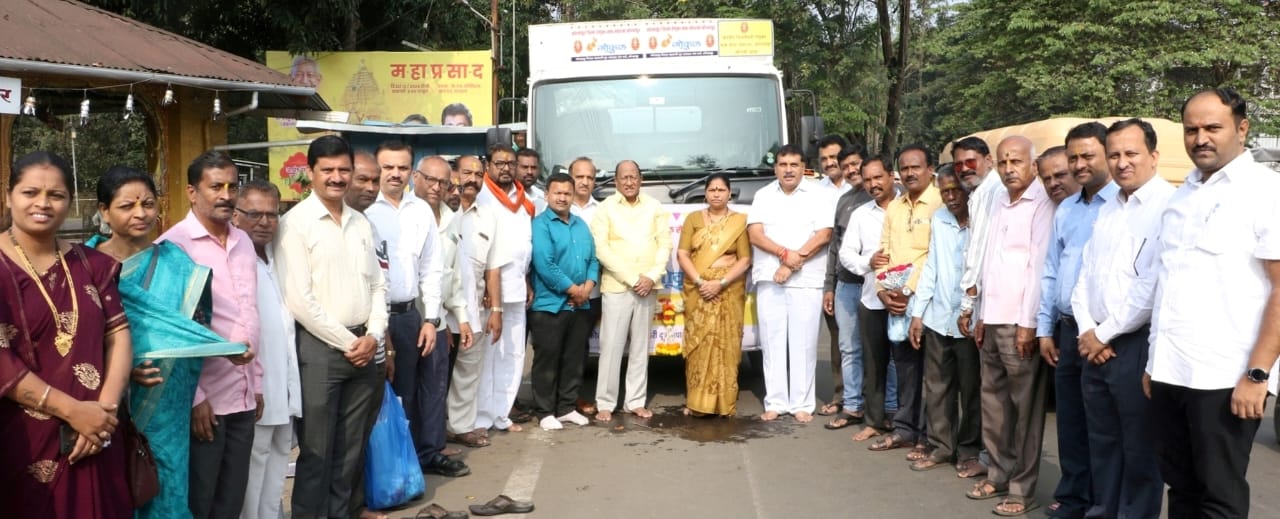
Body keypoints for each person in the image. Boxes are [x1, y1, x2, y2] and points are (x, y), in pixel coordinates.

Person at [1146, 88, 1280, 517]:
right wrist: (1153, 362)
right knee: (1180, 487)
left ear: (1242, 129)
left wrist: (1257, 374)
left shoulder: (1265, 191)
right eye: (1191, 129)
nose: (1200, 138)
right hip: (1171, 371)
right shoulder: (1181, 195)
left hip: (1224, 377)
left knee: (1219, 496)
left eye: (1212, 128)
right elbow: (1166, 284)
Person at [87, 166, 246, 519]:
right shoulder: (84, 267)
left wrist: (223, 349)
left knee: (166, 488)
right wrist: (124, 369)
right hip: (100, 403)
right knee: (105, 490)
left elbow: (192, 330)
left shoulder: (179, 265)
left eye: (147, 203)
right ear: (104, 210)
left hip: (166, 402)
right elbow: (71, 338)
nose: (140, 213)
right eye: (127, 206)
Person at [0, 151, 132, 517]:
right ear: (9, 196)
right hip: (21, 440)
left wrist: (102, 416)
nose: (43, 203)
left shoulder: (93, 264)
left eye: (55, 195)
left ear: (70, 202)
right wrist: (73, 411)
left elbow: (118, 336)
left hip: (95, 437)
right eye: (30, 193)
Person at [277, 135, 389, 519]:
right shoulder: (294, 225)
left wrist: (373, 334)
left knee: (351, 449)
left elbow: (377, 283)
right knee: (317, 450)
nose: (337, 178)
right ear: (311, 173)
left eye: (344, 170)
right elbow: (300, 301)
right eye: (328, 170)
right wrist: (350, 343)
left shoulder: (360, 222)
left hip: (365, 345)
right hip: (321, 351)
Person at [1070, 118, 1172, 519]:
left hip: (1133, 345)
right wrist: (1086, 330)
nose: (1122, 162)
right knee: (1103, 443)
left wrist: (1105, 334)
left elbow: (1151, 285)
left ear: (1153, 156)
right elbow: (1086, 273)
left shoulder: (1168, 206)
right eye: (1114, 154)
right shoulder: (1110, 207)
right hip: (1093, 344)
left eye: (1131, 153)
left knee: (1139, 449)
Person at [158, 151, 262, 519]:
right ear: (192, 191)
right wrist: (194, 397)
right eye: (215, 186)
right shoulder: (175, 247)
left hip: (244, 392)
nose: (226, 195)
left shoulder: (243, 241)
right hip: (205, 400)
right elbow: (168, 330)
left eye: (232, 186)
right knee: (201, 500)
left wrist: (258, 380)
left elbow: (250, 314)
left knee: (232, 499)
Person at [963, 136, 1054, 517]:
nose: (1008, 169)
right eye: (1002, 162)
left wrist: (1028, 324)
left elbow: (1038, 267)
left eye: (1016, 161)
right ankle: (998, 473)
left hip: (1020, 322)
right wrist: (981, 312)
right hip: (993, 317)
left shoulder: (1042, 204)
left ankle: (1022, 487)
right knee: (995, 405)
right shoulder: (999, 200)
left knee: (1024, 410)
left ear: (1032, 165)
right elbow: (988, 261)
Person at [1035, 122, 1118, 519]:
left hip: (1106, 335)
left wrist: (1099, 332)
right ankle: (1073, 499)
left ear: (1107, 153)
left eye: (1088, 155)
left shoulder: (1121, 205)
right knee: (1070, 425)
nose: (1080, 164)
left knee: (1103, 430)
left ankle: (1102, 505)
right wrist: (1043, 328)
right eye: (1074, 157)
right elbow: (1051, 269)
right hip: (1067, 331)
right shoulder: (1067, 208)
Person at [364, 143, 461, 478]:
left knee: (425, 387)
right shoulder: (365, 211)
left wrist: (433, 319)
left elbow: (432, 268)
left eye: (402, 168)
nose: (395, 174)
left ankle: (425, 454)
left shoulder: (420, 211)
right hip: (375, 319)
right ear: (378, 169)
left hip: (412, 315)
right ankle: (391, 466)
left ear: (410, 172)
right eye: (388, 167)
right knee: (390, 391)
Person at [747, 144, 834, 423]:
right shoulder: (763, 195)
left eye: (794, 164)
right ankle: (775, 402)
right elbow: (755, 234)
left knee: (804, 343)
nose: (788, 170)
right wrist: (785, 256)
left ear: (803, 167)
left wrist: (792, 263)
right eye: (783, 165)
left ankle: (802, 403)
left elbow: (823, 234)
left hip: (806, 279)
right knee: (772, 343)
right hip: (770, 278)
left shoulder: (819, 194)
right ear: (776, 168)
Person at [234, 180, 303, 519]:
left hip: (285, 382)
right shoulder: (234, 260)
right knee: (254, 464)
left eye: (272, 214)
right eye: (254, 214)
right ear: (235, 215)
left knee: (278, 462)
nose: (264, 222)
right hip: (253, 387)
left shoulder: (278, 256)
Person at [906, 164, 981, 474]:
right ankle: (941, 447)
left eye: (956, 190)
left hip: (969, 319)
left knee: (972, 389)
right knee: (937, 388)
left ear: (967, 190)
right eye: (945, 190)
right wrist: (918, 314)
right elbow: (932, 267)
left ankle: (969, 449)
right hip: (939, 317)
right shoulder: (939, 219)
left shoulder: (981, 220)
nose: (951, 196)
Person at [867, 145, 941, 458]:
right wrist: (884, 291)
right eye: (905, 168)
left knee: (932, 372)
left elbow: (936, 257)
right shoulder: (895, 208)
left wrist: (908, 289)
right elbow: (883, 253)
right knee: (906, 368)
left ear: (930, 168)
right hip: (894, 301)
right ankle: (905, 429)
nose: (910, 173)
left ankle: (929, 435)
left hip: (928, 301)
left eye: (916, 167)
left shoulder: (941, 203)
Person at [406, 155, 474, 475]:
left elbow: (453, 274)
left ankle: (431, 452)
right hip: (407, 317)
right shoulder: (400, 214)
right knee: (405, 390)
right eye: (430, 180)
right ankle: (403, 455)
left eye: (443, 182)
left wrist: (460, 316)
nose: (436, 187)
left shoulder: (450, 218)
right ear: (415, 178)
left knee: (434, 389)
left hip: (438, 319)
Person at [590, 160, 671, 421]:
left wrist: (651, 276)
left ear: (641, 179)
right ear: (615, 181)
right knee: (611, 346)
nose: (629, 182)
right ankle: (605, 401)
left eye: (633, 177)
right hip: (617, 286)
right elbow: (602, 249)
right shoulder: (605, 209)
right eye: (623, 177)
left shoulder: (654, 207)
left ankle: (635, 401)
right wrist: (631, 277)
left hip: (648, 286)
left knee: (639, 347)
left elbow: (664, 245)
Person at [446, 156, 508, 448]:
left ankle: (460, 427)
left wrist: (496, 309)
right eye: (466, 172)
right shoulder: (440, 210)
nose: (472, 179)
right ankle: (432, 431)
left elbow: (492, 268)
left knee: (468, 371)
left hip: (475, 308)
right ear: (454, 174)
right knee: (437, 375)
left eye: (478, 174)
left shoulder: (489, 216)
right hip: (440, 311)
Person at [677, 173, 752, 416]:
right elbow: (682, 254)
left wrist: (720, 283)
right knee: (700, 345)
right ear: (706, 193)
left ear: (729, 193)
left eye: (721, 189)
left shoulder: (739, 222)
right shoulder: (693, 219)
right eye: (712, 190)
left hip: (727, 290)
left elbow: (745, 259)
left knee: (725, 345)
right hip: (698, 290)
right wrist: (701, 282)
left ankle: (723, 403)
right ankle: (697, 403)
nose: (716, 194)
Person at [529, 173, 599, 430]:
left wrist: (588, 286)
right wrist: (573, 289)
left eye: (567, 193)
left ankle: (566, 407)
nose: (562, 197)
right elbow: (544, 265)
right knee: (547, 359)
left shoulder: (580, 224)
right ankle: (545, 410)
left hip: (581, 304)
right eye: (557, 192)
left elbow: (593, 259)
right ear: (546, 195)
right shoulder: (541, 225)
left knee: (574, 358)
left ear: (573, 196)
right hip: (550, 305)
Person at [474, 145, 534, 433]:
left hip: (517, 287)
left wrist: (526, 279)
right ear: (489, 165)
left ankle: (501, 414)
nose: (506, 168)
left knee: (512, 355)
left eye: (511, 163)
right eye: (500, 163)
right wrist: (488, 287)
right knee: (488, 358)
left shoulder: (522, 198)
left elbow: (524, 245)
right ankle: (482, 417)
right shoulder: (482, 196)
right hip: (491, 291)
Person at [824, 144, 882, 429]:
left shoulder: (885, 200)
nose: (850, 171)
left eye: (855, 164)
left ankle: (883, 408)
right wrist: (829, 286)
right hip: (847, 286)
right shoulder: (845, 201)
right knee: (850, 348)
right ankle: (852, 406)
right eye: (844, 166)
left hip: (877, 286)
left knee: (881, 351)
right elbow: (835, 249)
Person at [840, 158, 898, 441]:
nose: (873, 184)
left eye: (878, 177)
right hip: (872, 298)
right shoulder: (861, 214)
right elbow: (846, 254)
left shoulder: (908, 208)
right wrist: (868, 262)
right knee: (875, 362)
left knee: (904, 363)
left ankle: (902, 419)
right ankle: (874, 420)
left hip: (907, 300)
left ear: (891, 175)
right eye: (867, 180)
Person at [815, 135, 851, 418]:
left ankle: (873, 401)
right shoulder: (815, 191)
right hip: (831, 273)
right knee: (839, 339)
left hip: (865, 273)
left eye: (834, 157)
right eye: (824, 159)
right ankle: (841, 395)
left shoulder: (863, 186)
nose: (830, 163)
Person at [567, 157, 602, 415]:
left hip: (593, 291)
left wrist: (587, 287)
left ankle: (574, 396)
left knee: (580, 346)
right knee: (556, 346)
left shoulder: (601, 211)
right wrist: (570, 288)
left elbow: (600, 253)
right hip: (560, 292)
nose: (585, 182)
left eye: (590, 177)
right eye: (580, 177)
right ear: (570, 178)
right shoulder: (557, 206)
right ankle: (552, 398)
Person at [516, 148, 547, 214]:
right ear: (514, 168)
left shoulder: (542, 198)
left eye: (533, 168)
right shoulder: (506, 196)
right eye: (525, 167)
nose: (529, 172)